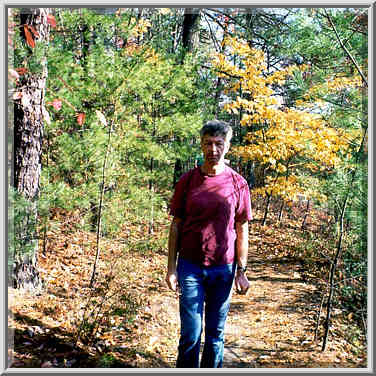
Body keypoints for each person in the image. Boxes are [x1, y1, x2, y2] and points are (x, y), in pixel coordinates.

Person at [166, 120, 252, 368]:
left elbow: (242, 227)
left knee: (215, 336)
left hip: (223, 269)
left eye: (218, 144)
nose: (213, 149)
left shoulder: (238, 184)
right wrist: (171, 268)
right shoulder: (188, 181)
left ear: (227, 146)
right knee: (191, 335)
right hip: (190, 267)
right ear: (201, 145)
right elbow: (176, 225)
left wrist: (242, 271)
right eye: (208, 143)